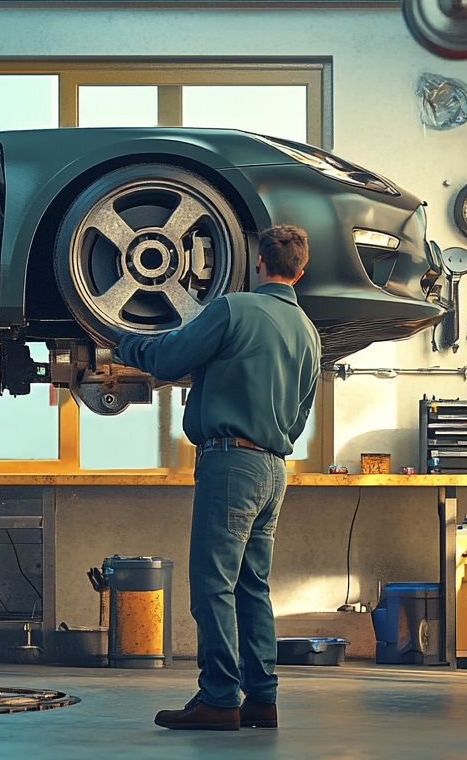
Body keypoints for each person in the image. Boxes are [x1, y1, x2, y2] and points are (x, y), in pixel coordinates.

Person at [114, 224, 320, 732]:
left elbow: (168, 357)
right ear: (301, 269)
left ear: (256, 262)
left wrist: (119, 341)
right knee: (253, 586)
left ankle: (220, 698)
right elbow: (301, 413)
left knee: (213, 585)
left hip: (231, 463)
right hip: (275, 468)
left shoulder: (236, 309)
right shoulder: (309, 332)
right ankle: (261, 699)